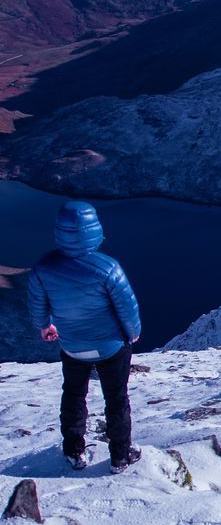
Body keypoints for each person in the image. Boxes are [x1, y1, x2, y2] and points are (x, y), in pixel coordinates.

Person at [27, 200, 143, 473]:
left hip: (72, 347)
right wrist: (133, 334)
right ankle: (120, 456)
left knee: (74, 394)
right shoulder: (108, 268)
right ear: (94, 230)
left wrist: (46, 327)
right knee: (116, 398)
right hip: (111, 347)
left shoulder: (44, 268)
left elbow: (37, 306)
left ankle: (74, 451)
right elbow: (127, 308)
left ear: (60, 231)